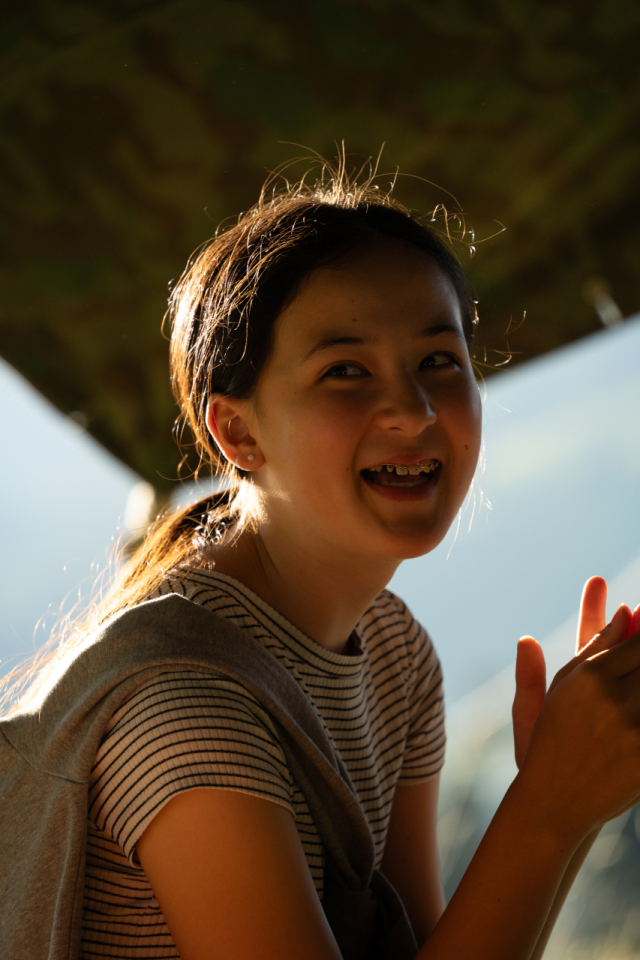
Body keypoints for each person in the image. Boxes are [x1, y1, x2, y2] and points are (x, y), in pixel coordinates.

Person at [5, 166, 640, 960]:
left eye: (439, 360)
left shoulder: (395, 653)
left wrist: (576, 784)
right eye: (345, 371)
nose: (412, 410)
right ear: (239, 434)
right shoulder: (185, 709)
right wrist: (551, 805)